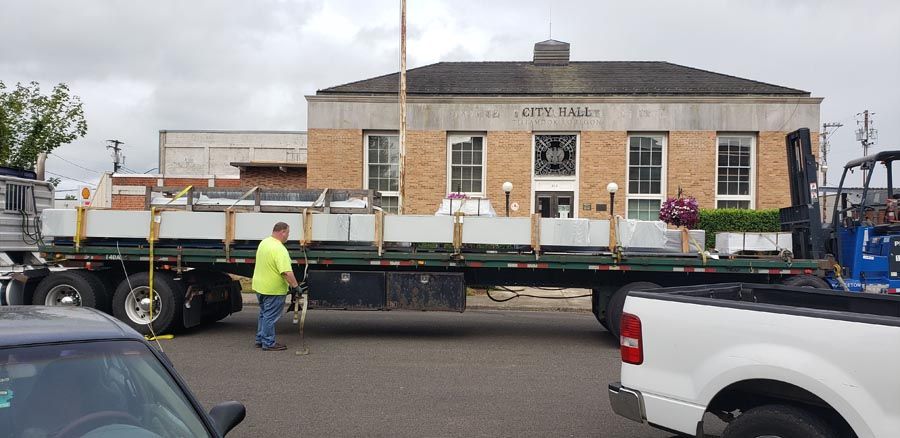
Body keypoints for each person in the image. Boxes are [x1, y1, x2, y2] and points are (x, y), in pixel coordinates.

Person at [252, 222, 300, 351]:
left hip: (260, 286)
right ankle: (268, 343)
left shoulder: (264, 243)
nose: (288, 236)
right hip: (273, 289)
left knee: (264, 314)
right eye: (288, 233)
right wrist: (296, 286)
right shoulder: (279, 249)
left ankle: (260, 339)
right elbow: (286, 272)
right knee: (270, 317)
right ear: (282, 232)